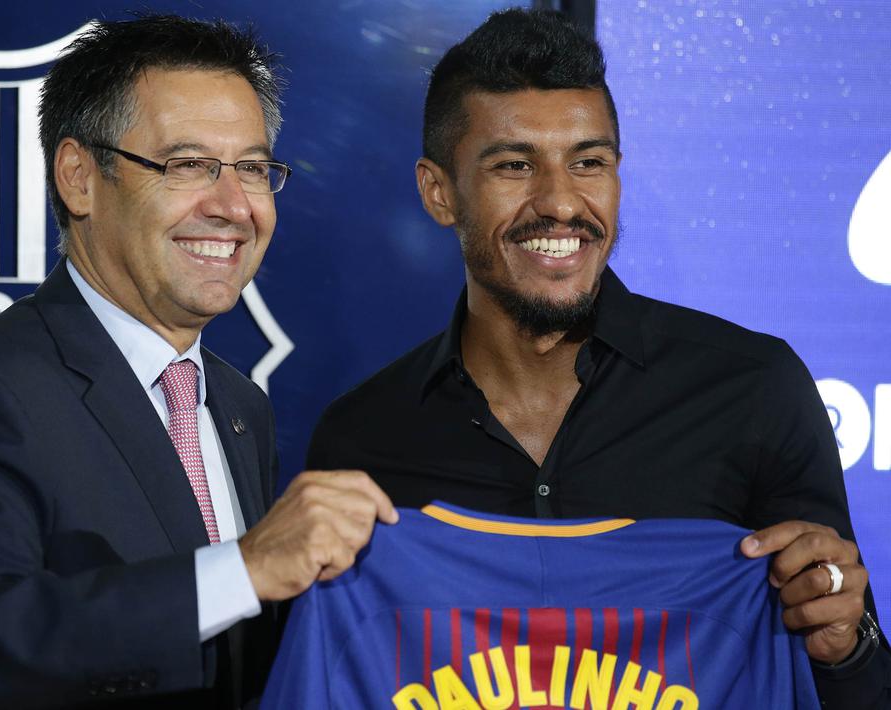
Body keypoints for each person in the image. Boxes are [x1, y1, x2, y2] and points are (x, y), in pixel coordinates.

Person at [307, 9, 889, 707]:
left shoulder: (753, 391)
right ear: (439, 193)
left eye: (589, 162)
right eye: (513, 165)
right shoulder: (359, 441)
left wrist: (844, 647)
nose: (559, 202)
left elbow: (852, 681)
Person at [0, 15, 395, 710]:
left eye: (254, 169)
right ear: (79, 178)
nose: (234, 206)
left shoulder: (238, 406)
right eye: (187, 165)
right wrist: (243, 569)